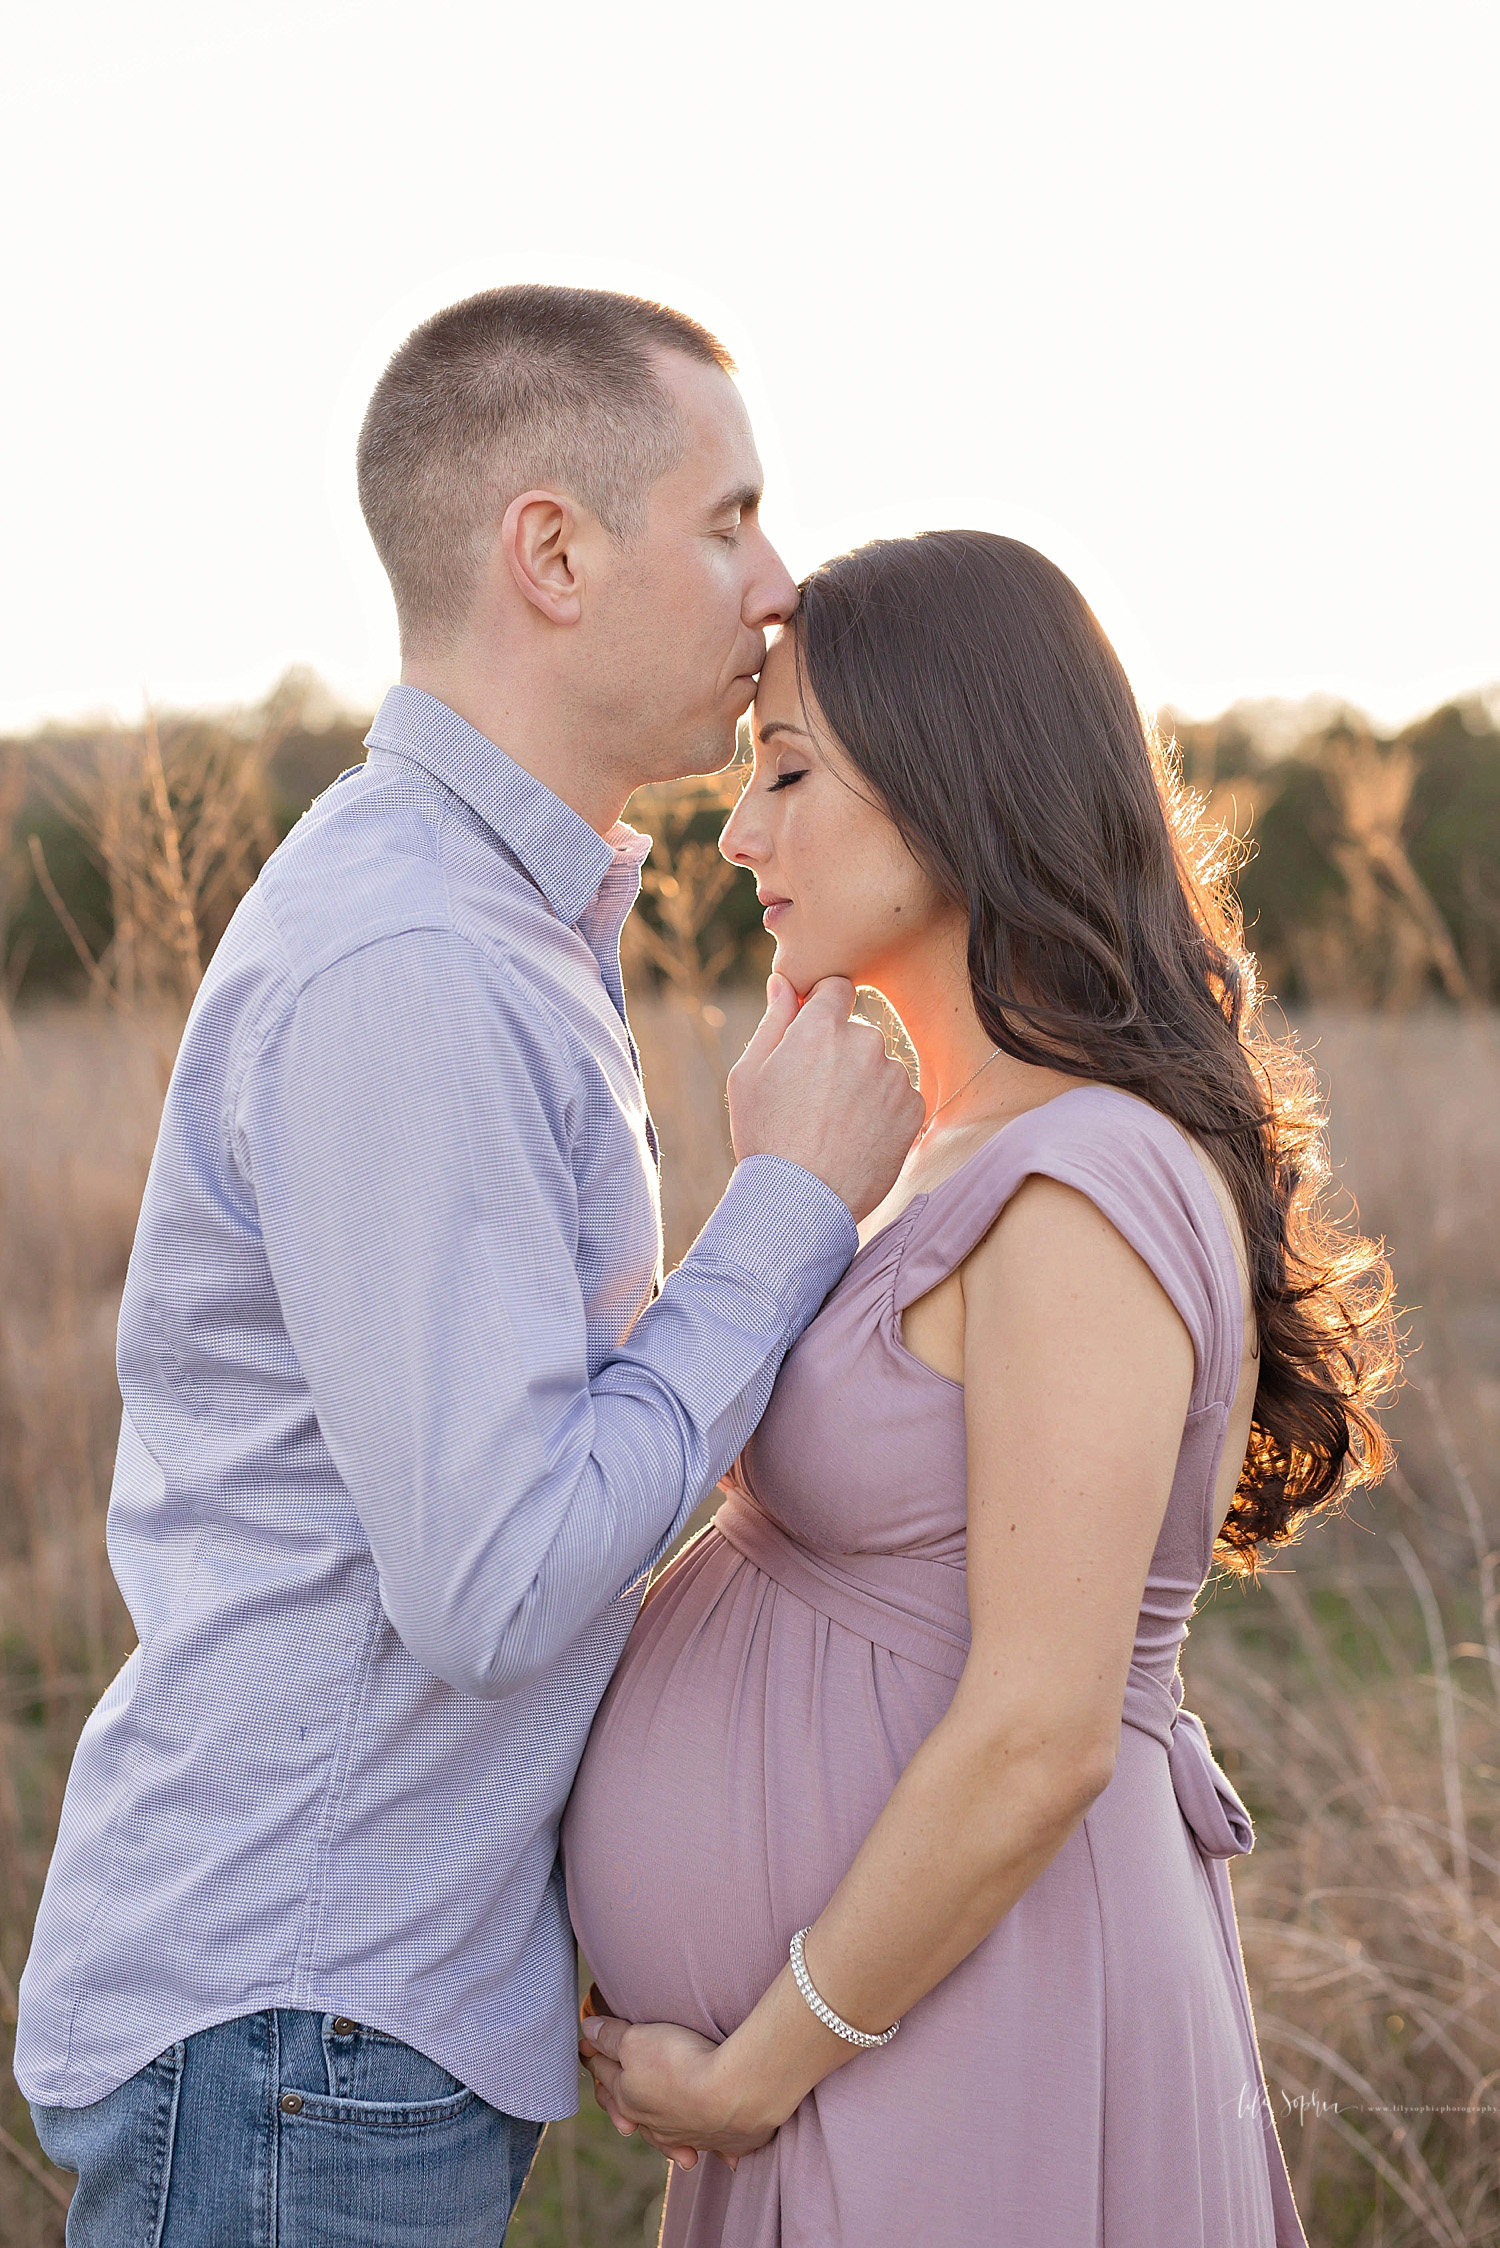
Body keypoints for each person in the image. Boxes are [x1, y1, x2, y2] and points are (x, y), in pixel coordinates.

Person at [15, 286, 922, 2244]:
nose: (778, 586)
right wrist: (785, 1214)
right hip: (298, 2029)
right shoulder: (415, 965)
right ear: (553, 551)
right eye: (730, 516)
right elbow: (497, 1577)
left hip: (341, 2027)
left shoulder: (491, 932)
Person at [563, 531, 1398, 2246]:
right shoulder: (938, 1151)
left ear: (955, 782)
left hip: (971, 2027)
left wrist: (759, 2068)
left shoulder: (1079, 1184)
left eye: (790, 772)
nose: (740, 833)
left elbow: (1038, 1732)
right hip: (874, 2030)